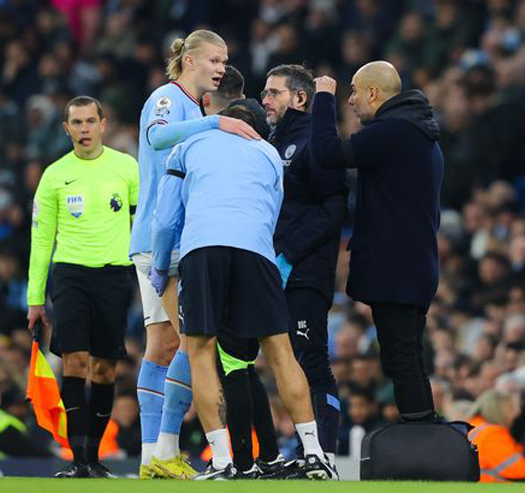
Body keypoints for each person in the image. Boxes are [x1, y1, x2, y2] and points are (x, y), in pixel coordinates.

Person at [150, 100, 334, 480]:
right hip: (257, 250)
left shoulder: (189, 146)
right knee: (281, 352)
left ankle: (222, 461)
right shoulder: (268, 152)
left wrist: (159, 266)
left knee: (200, 351)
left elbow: (166, 219)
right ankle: (315, 454)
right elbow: (273, 208)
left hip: (204, 248)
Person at [129, 29, 259, 480]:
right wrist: (215, 123)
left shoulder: (190, 104)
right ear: (190, 61)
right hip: (167, 240)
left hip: (162, 239)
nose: (222, 68)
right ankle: (166, 447)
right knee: (192, 342)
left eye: (225, 61)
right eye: (215, 60)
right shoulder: (169, 98)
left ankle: (151, 457)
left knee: (163, 345)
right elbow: (159, 138)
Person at [311, 62, 443, 422]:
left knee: (401, 357)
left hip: (397, 267)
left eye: (354, 91)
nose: (350, 100)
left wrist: (323, 98)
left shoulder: (395, 131)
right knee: (407, 356)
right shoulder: (419, 133)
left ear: (373, 93)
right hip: (414, 264)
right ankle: (423, 429)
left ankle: (420, 435)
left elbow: (327, 154)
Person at [27, 95, 138, 478]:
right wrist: (34, 298)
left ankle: (94, 457)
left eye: (91, 121)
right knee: (74, 361)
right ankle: (78, 459)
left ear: (103, 124)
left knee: (104, 369)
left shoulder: (126, 167)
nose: (85, 129)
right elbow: (41, 240)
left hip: (114, 276)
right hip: (70, 274)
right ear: (66, 128)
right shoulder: (55, 175)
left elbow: (141, 226)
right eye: (77, 122)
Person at [261, 64, 346, 471]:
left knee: (311, 360)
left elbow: (333, 209)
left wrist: (289, 255)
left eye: (274, 92)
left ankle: (324, 454)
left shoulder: (317, 139)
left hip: (305, 271)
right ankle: (303, 453)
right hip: (272, 269)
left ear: (300, 99)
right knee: (285, 363)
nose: (265, 99)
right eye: (265, 92)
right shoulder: (268, 143)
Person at [203, 67, 284, 479]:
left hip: (219, 253)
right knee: (249, 364)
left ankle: (241, 461)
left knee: (229, 365)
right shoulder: (269, 150)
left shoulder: (209, 143)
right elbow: (275, 204)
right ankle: (268, 454)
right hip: (261, 257)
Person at [468, 390, 525, 483]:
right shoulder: (492, 434)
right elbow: (516, 470)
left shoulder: (473, 428)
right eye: (511, 408)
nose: (517, 413)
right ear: (499, 410)